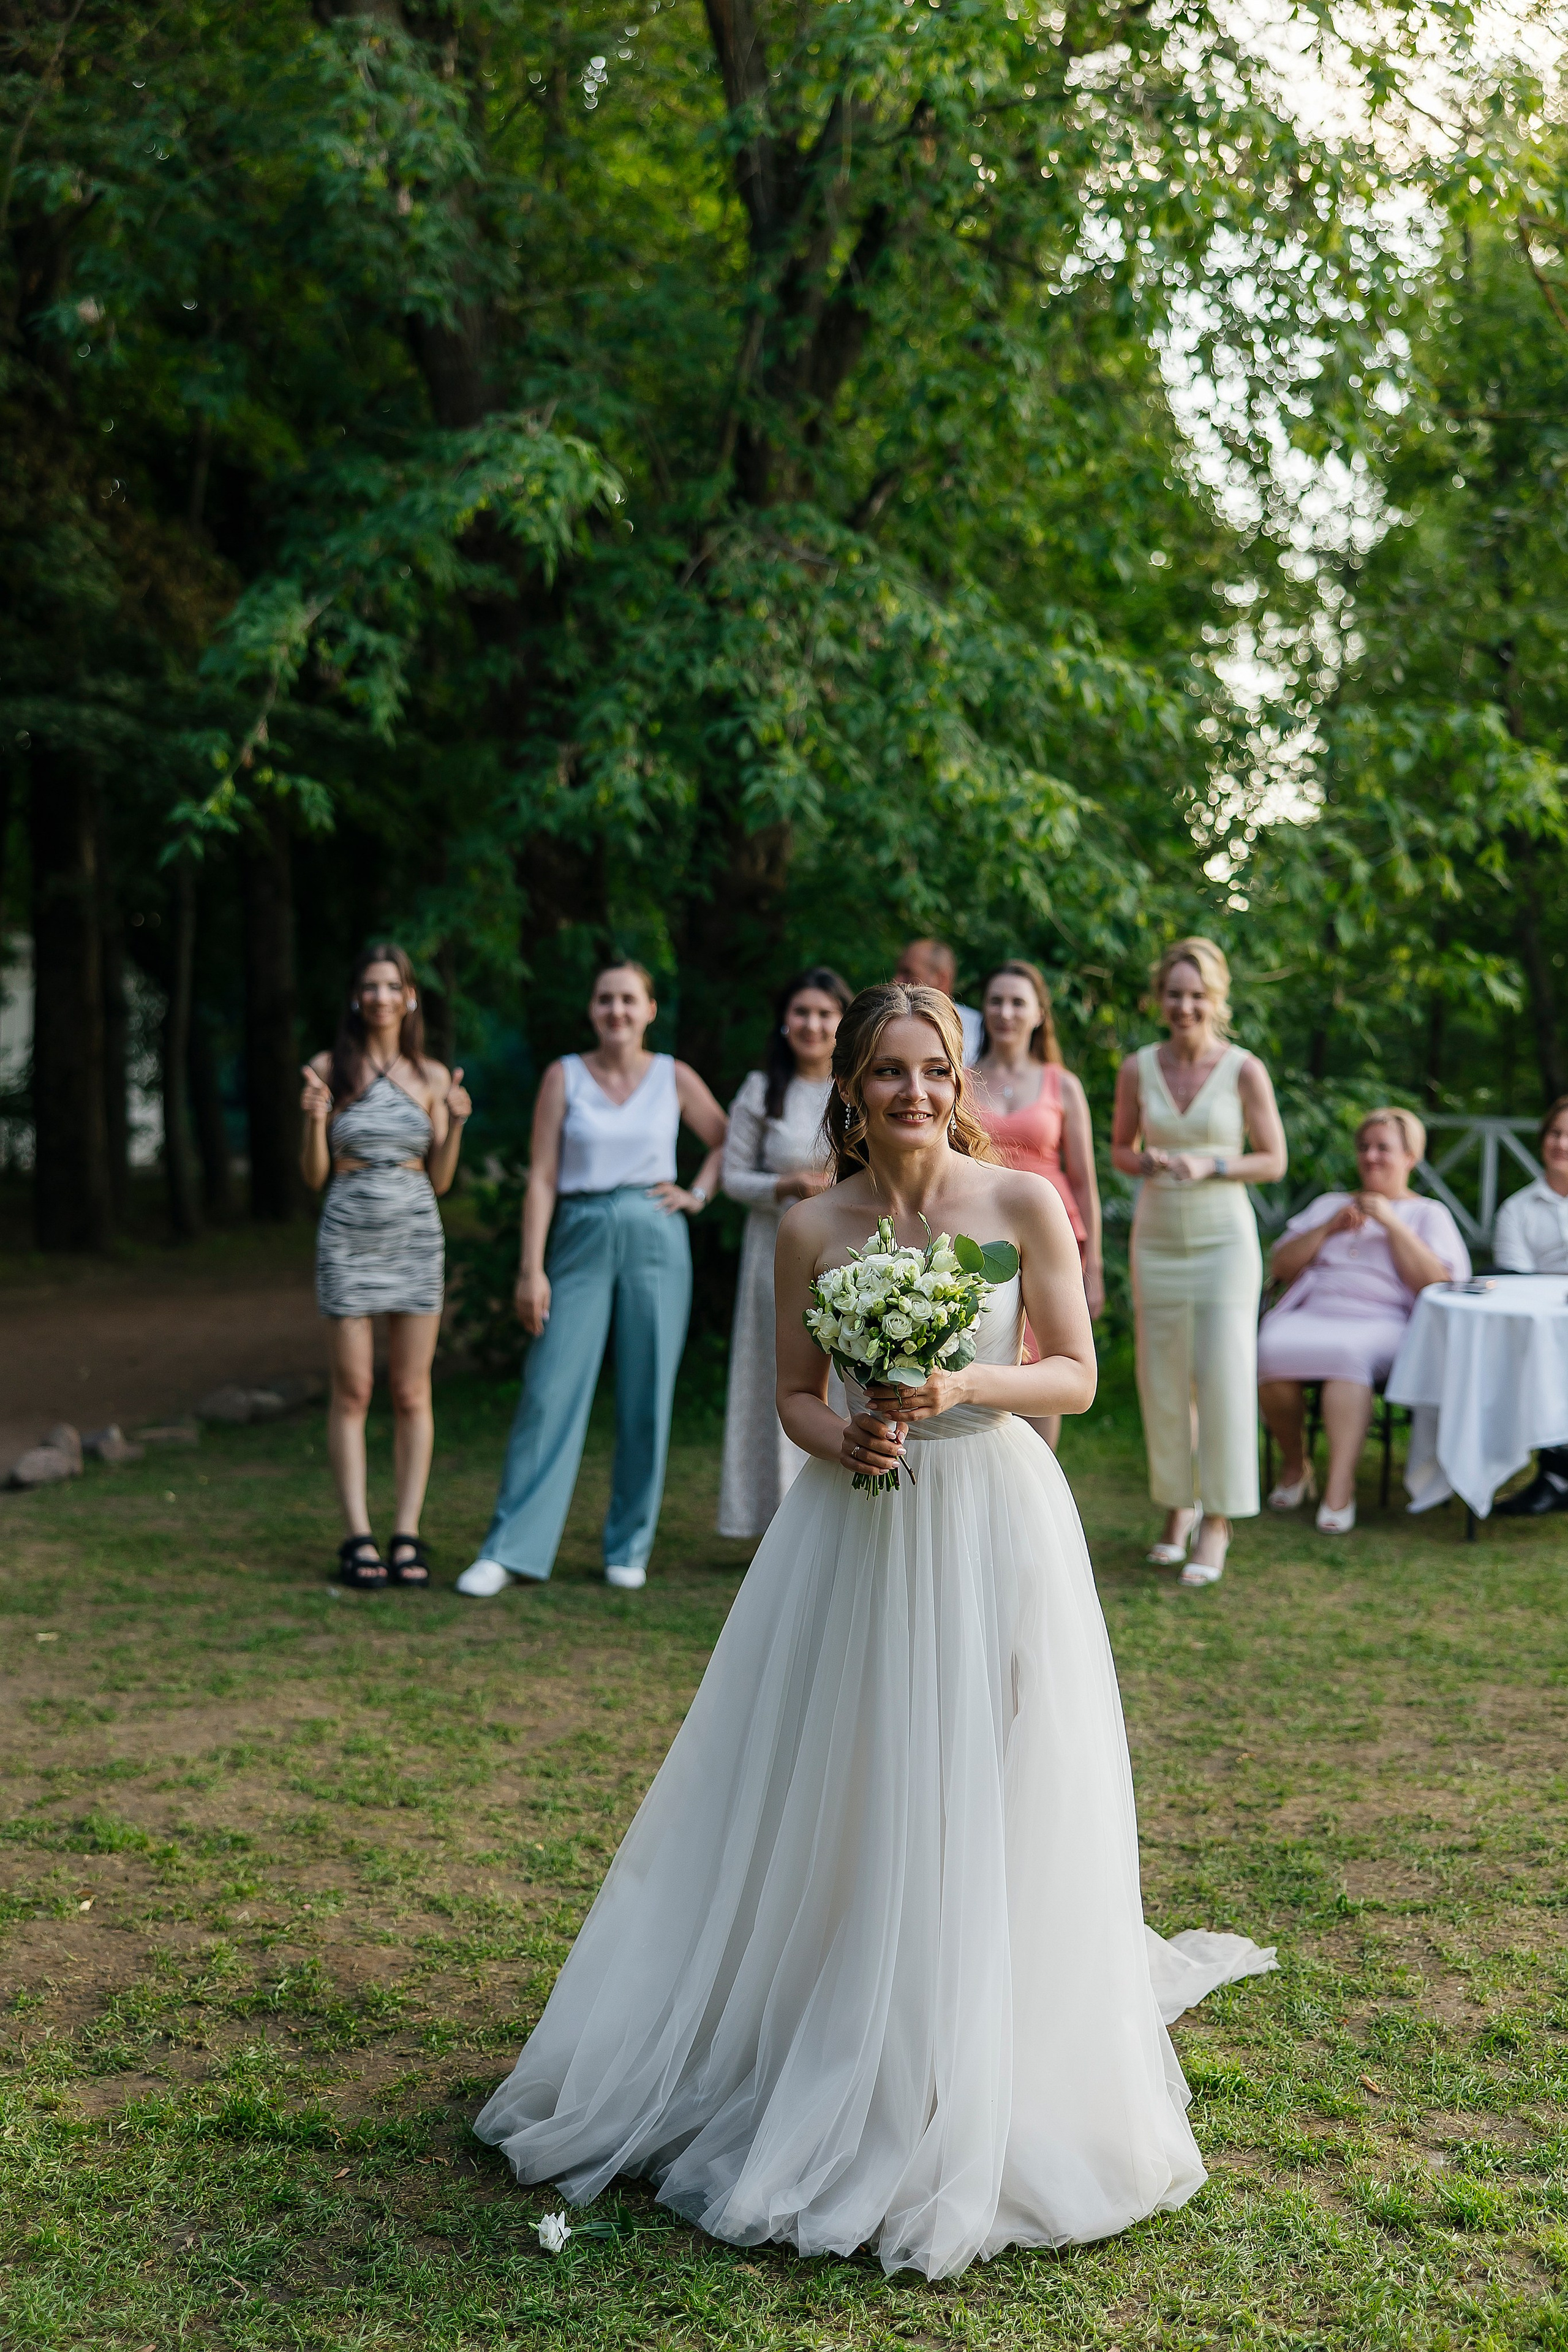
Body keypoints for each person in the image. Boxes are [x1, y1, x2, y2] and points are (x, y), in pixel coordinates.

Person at [473, 981, 1274, 2276]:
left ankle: (971, 2032)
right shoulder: (811, 1226)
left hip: (996, 1508)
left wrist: (963, 1382)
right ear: (849, 1087)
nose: (916, 1092)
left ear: (960, 1084)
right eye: (891, 1071)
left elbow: (1074, 1373)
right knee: (852, 1766)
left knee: (995, 1762)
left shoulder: (1020, 1203)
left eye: (936, 1070)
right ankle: (843, 2015)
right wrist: (839, 1434)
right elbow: (793, 1393)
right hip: (856, 1522)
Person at [457, 962, 728, 1596]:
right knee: (548, 1389)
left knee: (647, 1392)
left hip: (656, 1233)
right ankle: (509, 1549)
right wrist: (530, 1268)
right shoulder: (564, 1076)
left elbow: (725, 1140)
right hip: (578, 1232)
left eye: (629, 999)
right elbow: (542, 1177)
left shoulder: (673, 1076)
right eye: (605, 999)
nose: (616, 1010)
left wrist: (696, 1194)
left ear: (650, 1009)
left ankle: (628, 1545)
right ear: (591, 1008)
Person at [1111, 938, 1287, 1587]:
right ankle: (1176, 1506)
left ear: (1216, 999)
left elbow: (1273, 1160)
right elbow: (1119, 1150)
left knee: (1223, 1377)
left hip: (1223, 1244)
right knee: (1162, 1382)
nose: (1184, 1006)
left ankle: (1218, 1519)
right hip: (1156, 1239)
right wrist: (1147, 1160)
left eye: (1196, 995)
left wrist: (1210, 1164)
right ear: (1159, 999)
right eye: (1173, 994)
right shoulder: (1138, 1068)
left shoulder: (1243, 1069)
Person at [300, 943, 471, 1590]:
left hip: (415, 1236)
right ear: (355, 997)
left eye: (392, 986)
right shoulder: (328, 1069)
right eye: (369, 986)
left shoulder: (432, 1076)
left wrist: (456, 1124)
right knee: (353, 1391)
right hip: (347, 1235)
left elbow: (442, 1180)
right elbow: (314, 1174)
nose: (380, 997)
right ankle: (357, 1536)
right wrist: (313, 1120)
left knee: (411, 1392)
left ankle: (406, 1534)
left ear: (410, 997)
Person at [1257, 1108, 1470, 1535]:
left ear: (1410, 1157)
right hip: (1314, 1312)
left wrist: (1392, 1224)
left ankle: (1341, 1485)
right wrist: (1327, 1229)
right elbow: (1280, 1266)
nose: (1371, 1157)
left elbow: (1439, 1284)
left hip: (1385, 1320)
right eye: (1364, 1147)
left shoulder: (1428, 1214)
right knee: (1269, 1348)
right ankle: (1297, 1465)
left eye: (1383, 1148)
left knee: (1348, 1355)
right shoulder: (1329, 1204)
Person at [717, 965, 853, 1539]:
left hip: (849, 1251)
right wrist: (787, 1185)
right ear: (783, 1021)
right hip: (773, 1250)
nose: (812, 1024)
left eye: (825, 1013)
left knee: (847, 1371)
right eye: (801, 1012)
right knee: (781, 1374)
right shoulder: (761, 1090)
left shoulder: (856, 1088)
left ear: (843, 1022)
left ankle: (846, 1506)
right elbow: (732, 1178)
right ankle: (776, 1517)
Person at [967, 959, 1104, 1449]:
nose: (1006, 1012)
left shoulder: (1062, 1084)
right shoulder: (960, 1080)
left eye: (1017, 1002)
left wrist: (1094, 1268)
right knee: (988, 1351)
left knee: (1049, 1360)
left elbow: (1084, 1181)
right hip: (984, 1233)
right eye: (996, 1001)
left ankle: (1041, 1472)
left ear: (1040, 1013)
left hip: (1053, 1236)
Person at [1492, 1094, 1568, 1515]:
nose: (1562, 1144)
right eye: (1555, 1133)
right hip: (1542, 1326)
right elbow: (1516, 1283)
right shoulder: (1517, 1210)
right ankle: (1555, 1474)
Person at [895, 937, 982, 1061]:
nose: (897, 980)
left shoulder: (980, 1030)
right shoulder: (887, 1023)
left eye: (908, 973)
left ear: (941, 979)